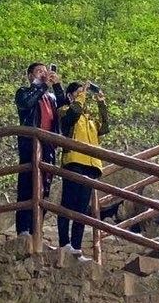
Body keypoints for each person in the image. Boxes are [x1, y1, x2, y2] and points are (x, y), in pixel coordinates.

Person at [56, 81, 109, 258]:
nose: (83, 95)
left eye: (83, 93)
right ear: (71, 96)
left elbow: (105, 128)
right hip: (74, 161)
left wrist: (101, 103)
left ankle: (77, 247)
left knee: (82, 208)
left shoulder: (90, 119)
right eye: (79, 93)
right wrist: (81, 96)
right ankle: (64, 243)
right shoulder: (65, 110)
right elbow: (73, 114)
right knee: (68, 203)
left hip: (91, 165)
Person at [14, 62, 64, 236]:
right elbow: (27, 103)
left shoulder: (50, 97)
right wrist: (42, 85)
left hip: (48, 147)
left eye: (45, 71)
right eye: (39, 71)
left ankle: (37, 230)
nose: (43, 73)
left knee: (45, 188)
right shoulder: (23, 92)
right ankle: (23, 229)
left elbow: (64, 109)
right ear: (30, 76)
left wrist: (56, 85)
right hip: (30, 145)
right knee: (27, 185)